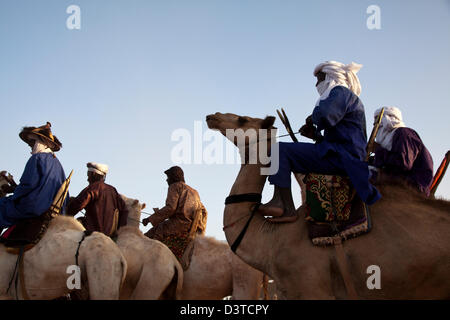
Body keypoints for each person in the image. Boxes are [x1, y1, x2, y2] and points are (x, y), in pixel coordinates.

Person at [259, 61, 381, 222]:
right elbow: (341, 137)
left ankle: (282, 204)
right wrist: (315, 136)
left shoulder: (340, 92)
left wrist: (312, 118)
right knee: (283, 152)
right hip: (341, 154)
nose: (317, 84)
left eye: (319, 78)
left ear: (331, 77)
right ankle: (282, 203)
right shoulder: (347, 98)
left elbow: (324, 114)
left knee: (278, 150)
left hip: (343, 157)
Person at [0, 122, 66, 229]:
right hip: (55, 209)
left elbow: (28, 185)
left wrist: (12, 192)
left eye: (31, 142)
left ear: (40, 141)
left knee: (2, 204)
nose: (30, 146)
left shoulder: (37, 158)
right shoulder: (58, 164)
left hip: (34, 205)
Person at [143, 166, 207, 259]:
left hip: (179, 225)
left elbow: (170, 208)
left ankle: (152, 258)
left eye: (168, 177)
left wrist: (149, 219)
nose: (166, 180)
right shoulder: (194, 192)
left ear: (173, 177)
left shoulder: (175, 186)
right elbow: (203, 211)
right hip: (192, 227)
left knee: (152, 234)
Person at [371, 106, 433, 195]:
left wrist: (378, 150)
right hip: (396, 178)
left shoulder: (404, 133)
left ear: (388, 119)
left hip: (412, 183)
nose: (376, 125)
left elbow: (403, 163)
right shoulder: (389, 137)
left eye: (378, 121)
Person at [66, 162, 128, 237]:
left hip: (91, 233)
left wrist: (66, 213)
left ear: (93, 174)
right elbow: (124, 211)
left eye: (88, 175)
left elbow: (78, 204)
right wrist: (119, 231)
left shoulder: (93, 187)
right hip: (109, 236)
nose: (87, 179)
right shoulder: (113, 190)